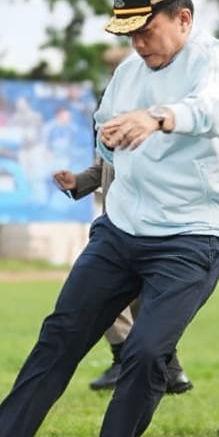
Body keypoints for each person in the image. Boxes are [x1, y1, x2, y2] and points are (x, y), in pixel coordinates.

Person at [0, 0, 219, 437]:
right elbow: (108, 134)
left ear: (183, 17)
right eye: (129, 33)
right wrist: (93, 167)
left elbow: (209, 110)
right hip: (121, 230)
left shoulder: (216, 61)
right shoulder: (127, 74)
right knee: (60, 336)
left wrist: (157, 118)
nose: (138, 44)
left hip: (195, 234)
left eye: (146, 30)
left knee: (146, 351)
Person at [53, 157, 193, 395]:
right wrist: (78, 182)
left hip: (153, 223)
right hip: (117, 224)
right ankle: (166, 369)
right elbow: (106, 164)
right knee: (121, 297)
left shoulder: (156, 122)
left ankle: (140, 363)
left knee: (135, 300)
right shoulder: (107, 120)